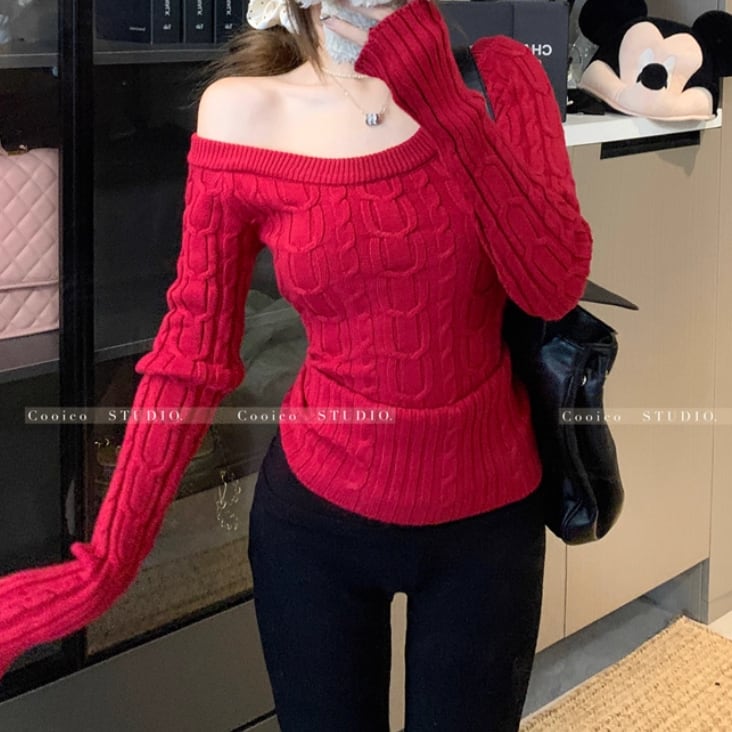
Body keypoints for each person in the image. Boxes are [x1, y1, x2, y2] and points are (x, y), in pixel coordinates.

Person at [0, 0, 592, 729]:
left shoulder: (501, 79)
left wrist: (446, 106)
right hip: (316, 522)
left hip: (488, 521)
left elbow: (552, 282)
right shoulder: (244, 112)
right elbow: (191, 352)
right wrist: (106, 563)